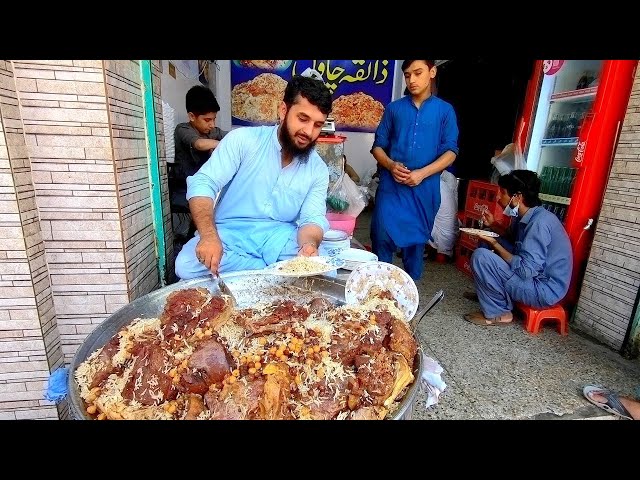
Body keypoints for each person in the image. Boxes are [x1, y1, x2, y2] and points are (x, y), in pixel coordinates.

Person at [174, 75, 332, 279]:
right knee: (186, 265)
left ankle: (257, 273)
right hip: (230, 234)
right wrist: (209, 236)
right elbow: (204, 183)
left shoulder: (318, 169)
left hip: (279, 238)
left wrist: (309, 246)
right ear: (283, 111)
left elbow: (312, 219)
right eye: (303, 119)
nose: (309, 132)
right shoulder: (243, 141)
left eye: (318, 125)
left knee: (325, 270)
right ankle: (269, 273)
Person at [370, 60, 459, 281]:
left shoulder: (445, 111)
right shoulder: (394, 109)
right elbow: (378, 146)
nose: (411, 80)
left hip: (424, 189)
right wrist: (391, 165)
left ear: (432, 72)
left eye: (417, 73)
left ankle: (408, 296)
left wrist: (422, 173)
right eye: (407, 75)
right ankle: (379, 292)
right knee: (381, 235)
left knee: (415, 245)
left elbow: (451, 151)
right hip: (392, 186)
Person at [464, 170, 573, 326]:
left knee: (482, 256)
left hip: (542, 289)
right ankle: (491, 294)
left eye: (502, 193)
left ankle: (500, 313)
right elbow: (512, 239)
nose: (498, 197)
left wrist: (495, 244)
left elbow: (525, 270)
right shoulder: (527, 215)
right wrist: (494, 226)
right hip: (531, 276)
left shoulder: (539, 223)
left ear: (517, 197)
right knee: (487, 239)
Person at [170, 85, 228, 242]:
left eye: (214, 119)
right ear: (191, 116)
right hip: (183, 188)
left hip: (207, 185)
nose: (212, 125)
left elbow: (232, 136)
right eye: (207, 120)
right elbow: (200, 144)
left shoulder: (212, 131)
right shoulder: (182, 129)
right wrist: (224, 145)